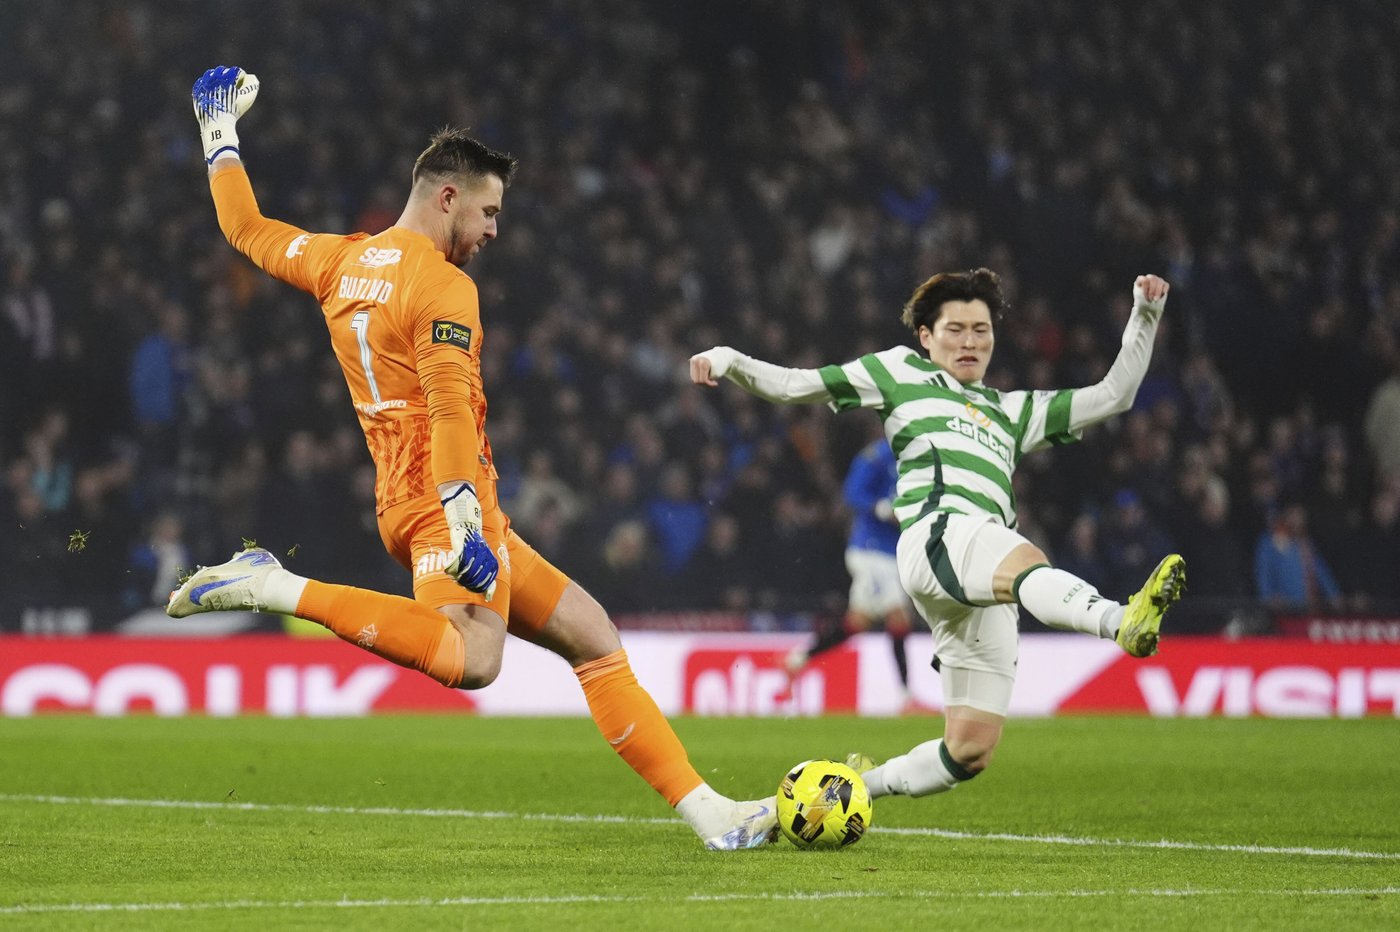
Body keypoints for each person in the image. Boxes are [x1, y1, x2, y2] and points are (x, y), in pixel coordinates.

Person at [167, 67, 776, 850]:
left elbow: (245, 228)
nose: (494, 230)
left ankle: (711, 815)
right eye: (488, 211)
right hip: (441, 502)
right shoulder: (442, 287)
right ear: (446, 196)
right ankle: (273, 583)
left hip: (426, 496)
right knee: (473, 660)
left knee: (594, 636)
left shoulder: (338, 261)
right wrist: (462, 519)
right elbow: (449, 404)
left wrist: (220, 136)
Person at [690, 267, 1185, 803]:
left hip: (980, 576)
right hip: (938, 536)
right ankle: (1120, 620)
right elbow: (795, 385)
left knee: (968, 752)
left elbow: (1115, 395)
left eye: (981, 329)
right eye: (955, 329)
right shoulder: (899, 372)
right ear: (926, 337)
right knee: (1027, 560)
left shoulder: (1013, 412)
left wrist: (1145, 313)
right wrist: (728, 359)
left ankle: (847, 788)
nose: (970, 341)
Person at [782, 437, 924, 712]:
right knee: (899, 616)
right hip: (870, 550)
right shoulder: (878, 454)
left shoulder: (921, 459)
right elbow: (852, 492)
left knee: (857, 622)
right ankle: (907, 698)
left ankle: (796, 660)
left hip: (891, 552)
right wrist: (882, 508)